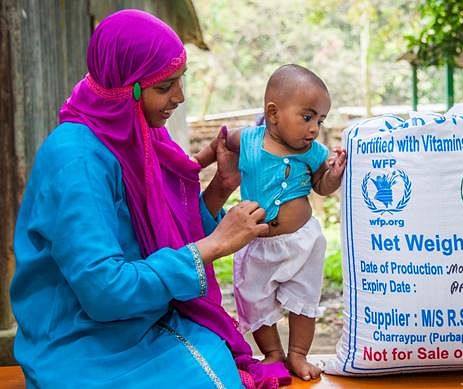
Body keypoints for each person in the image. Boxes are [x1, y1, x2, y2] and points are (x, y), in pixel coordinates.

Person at [10, 9, 291, 389]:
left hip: (137, 322)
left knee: (217, 356)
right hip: (81, 341)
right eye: (164, 86)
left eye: (181, 80)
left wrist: (219, 188)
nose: (180, 96)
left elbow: (159, 233)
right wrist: (213, 245)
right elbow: (104, 291)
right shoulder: (77, 159)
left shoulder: (134, 135)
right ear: (129, 88)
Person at [197, 64, 346, 381]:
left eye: (320, 120)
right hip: (255, 243)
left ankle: (298, 354)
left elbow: (322, 185)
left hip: (302, 243)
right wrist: (196, 163)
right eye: (307, 117)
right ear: (274, 113)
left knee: (304, 300)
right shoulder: (249, 140)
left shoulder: (312, 152)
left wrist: (333, 173)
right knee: (253, 300)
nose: (314, 129)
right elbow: (221, 140)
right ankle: (273, 353)